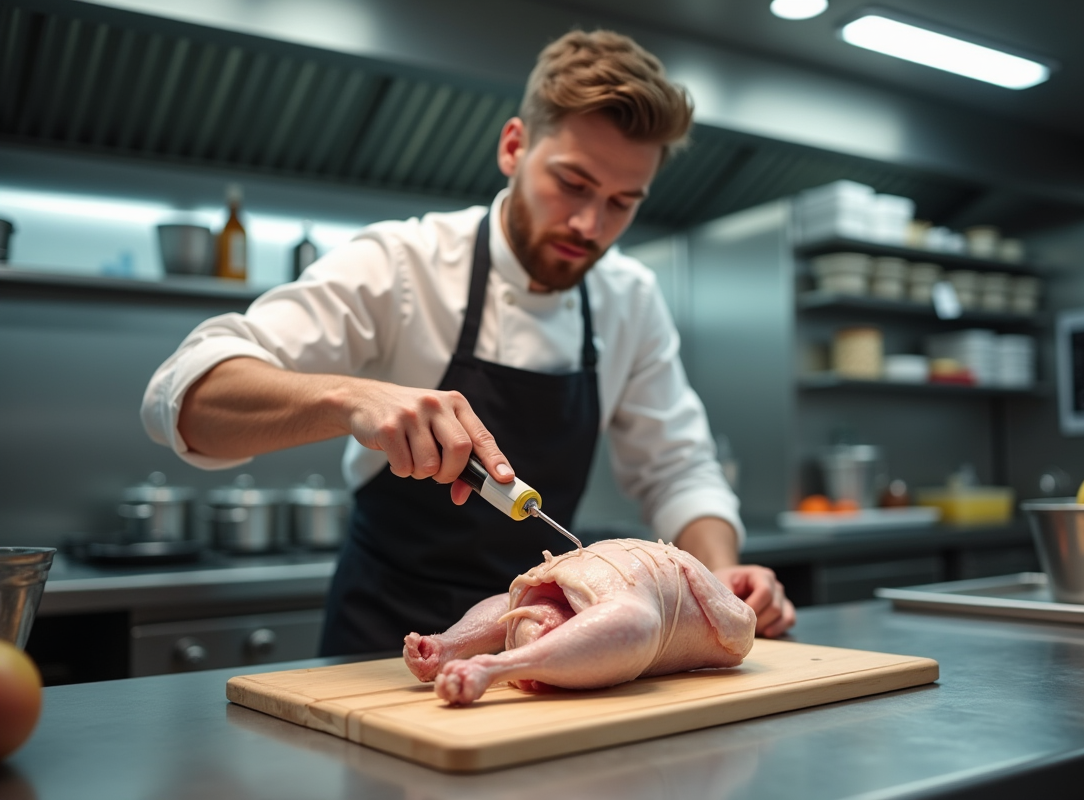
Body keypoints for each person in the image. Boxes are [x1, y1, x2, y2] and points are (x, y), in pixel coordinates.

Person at [142, 29, 795, 655]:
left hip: (549, 635)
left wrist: (720, 579)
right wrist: (350, 398)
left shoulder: (630, 297)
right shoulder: (402, 263)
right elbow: (184, 394)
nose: (590, 225)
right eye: (572, 183)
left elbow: (677, 467)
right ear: (514, 146)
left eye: (623, 202)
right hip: (385, 640)